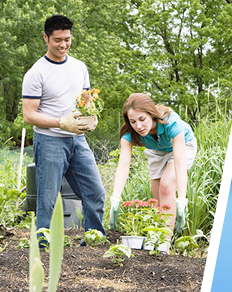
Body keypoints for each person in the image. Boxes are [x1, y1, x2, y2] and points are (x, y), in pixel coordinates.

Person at [21, 15, 106, 243]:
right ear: (46, 38)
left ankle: (93, 241)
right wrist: (60, 122)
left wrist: (91, 117)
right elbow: (29, 115)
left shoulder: (80, 67)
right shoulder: (36, 73)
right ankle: (43, 245)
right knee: (48, 199)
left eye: (67, 39)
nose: (63, 45)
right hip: (49, 141)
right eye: (58, 40)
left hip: (77, 140)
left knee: (95, 193)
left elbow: (86, 100)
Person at [107, 93, 197, 234]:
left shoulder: (171, 123)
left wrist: (181, 199)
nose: (139, 126)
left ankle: (164, 246)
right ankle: (159, 241)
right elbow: (123, 166)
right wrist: (116, 197)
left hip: (182, 145)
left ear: (152, 114)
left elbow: (179, 163)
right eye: (133, 121)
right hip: (156, 151)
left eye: (142, 119)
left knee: (166, 185)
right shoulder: (129, 134)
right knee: (159, 202)